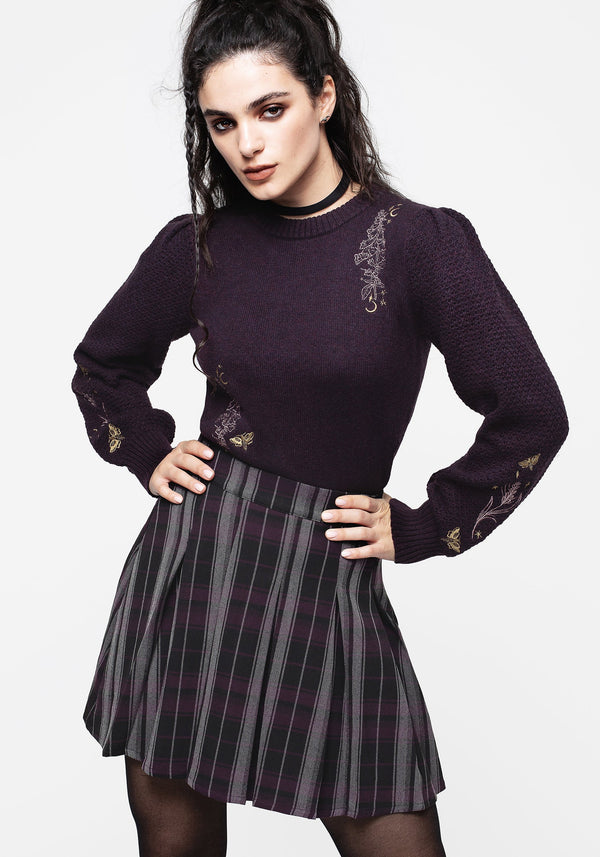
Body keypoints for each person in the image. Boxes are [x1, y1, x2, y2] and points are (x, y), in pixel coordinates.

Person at [71, 1, 569, 855]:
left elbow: (532, 413)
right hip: (198, 566)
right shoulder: (198, 247)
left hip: (327, 573)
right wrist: (147, 450)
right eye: (222, 122)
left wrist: (429, 524)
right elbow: (102, 366)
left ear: (325, 95)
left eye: (270, 109)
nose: (247, 144)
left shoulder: (421, 244)